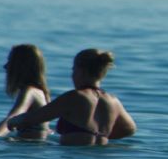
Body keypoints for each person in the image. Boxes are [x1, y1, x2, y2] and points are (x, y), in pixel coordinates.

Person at [8, 49, 137, 146]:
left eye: (73, 70)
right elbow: (129, 129)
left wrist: (13, 121)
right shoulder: (114, 101)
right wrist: (101, 135)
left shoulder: (74, 97)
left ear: (81, 71)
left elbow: (33, 118)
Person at [0, 45, 52, 140]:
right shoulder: (41, 92)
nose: (5, 66)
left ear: (21, 66)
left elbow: (14, 116)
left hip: (28, 148)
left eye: (10, 61)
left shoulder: (30, 92)